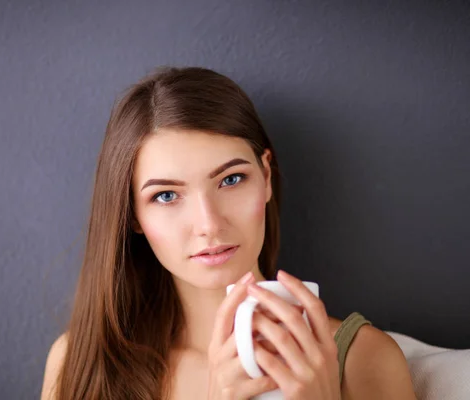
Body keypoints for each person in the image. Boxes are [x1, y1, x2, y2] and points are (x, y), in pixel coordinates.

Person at [40, 66, 416, 399]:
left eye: (231, 179)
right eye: (166, 195)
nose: (209, 224)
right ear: (133, 215)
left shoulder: (363, 360)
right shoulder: (79, 363)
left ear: (266, 176)